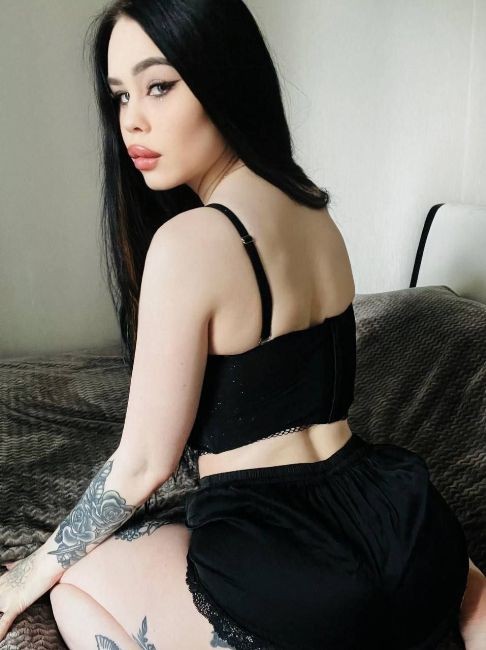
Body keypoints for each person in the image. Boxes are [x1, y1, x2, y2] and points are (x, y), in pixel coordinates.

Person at [0, 1, 484, 648]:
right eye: (119, 96)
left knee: (71, 588)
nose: (131, 120)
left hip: (284, 563)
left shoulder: (189, 244)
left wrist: (24, 577)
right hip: (398, 519)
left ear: (223, 78)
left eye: (158, 86)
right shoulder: (315, 214)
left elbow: (141, 464)